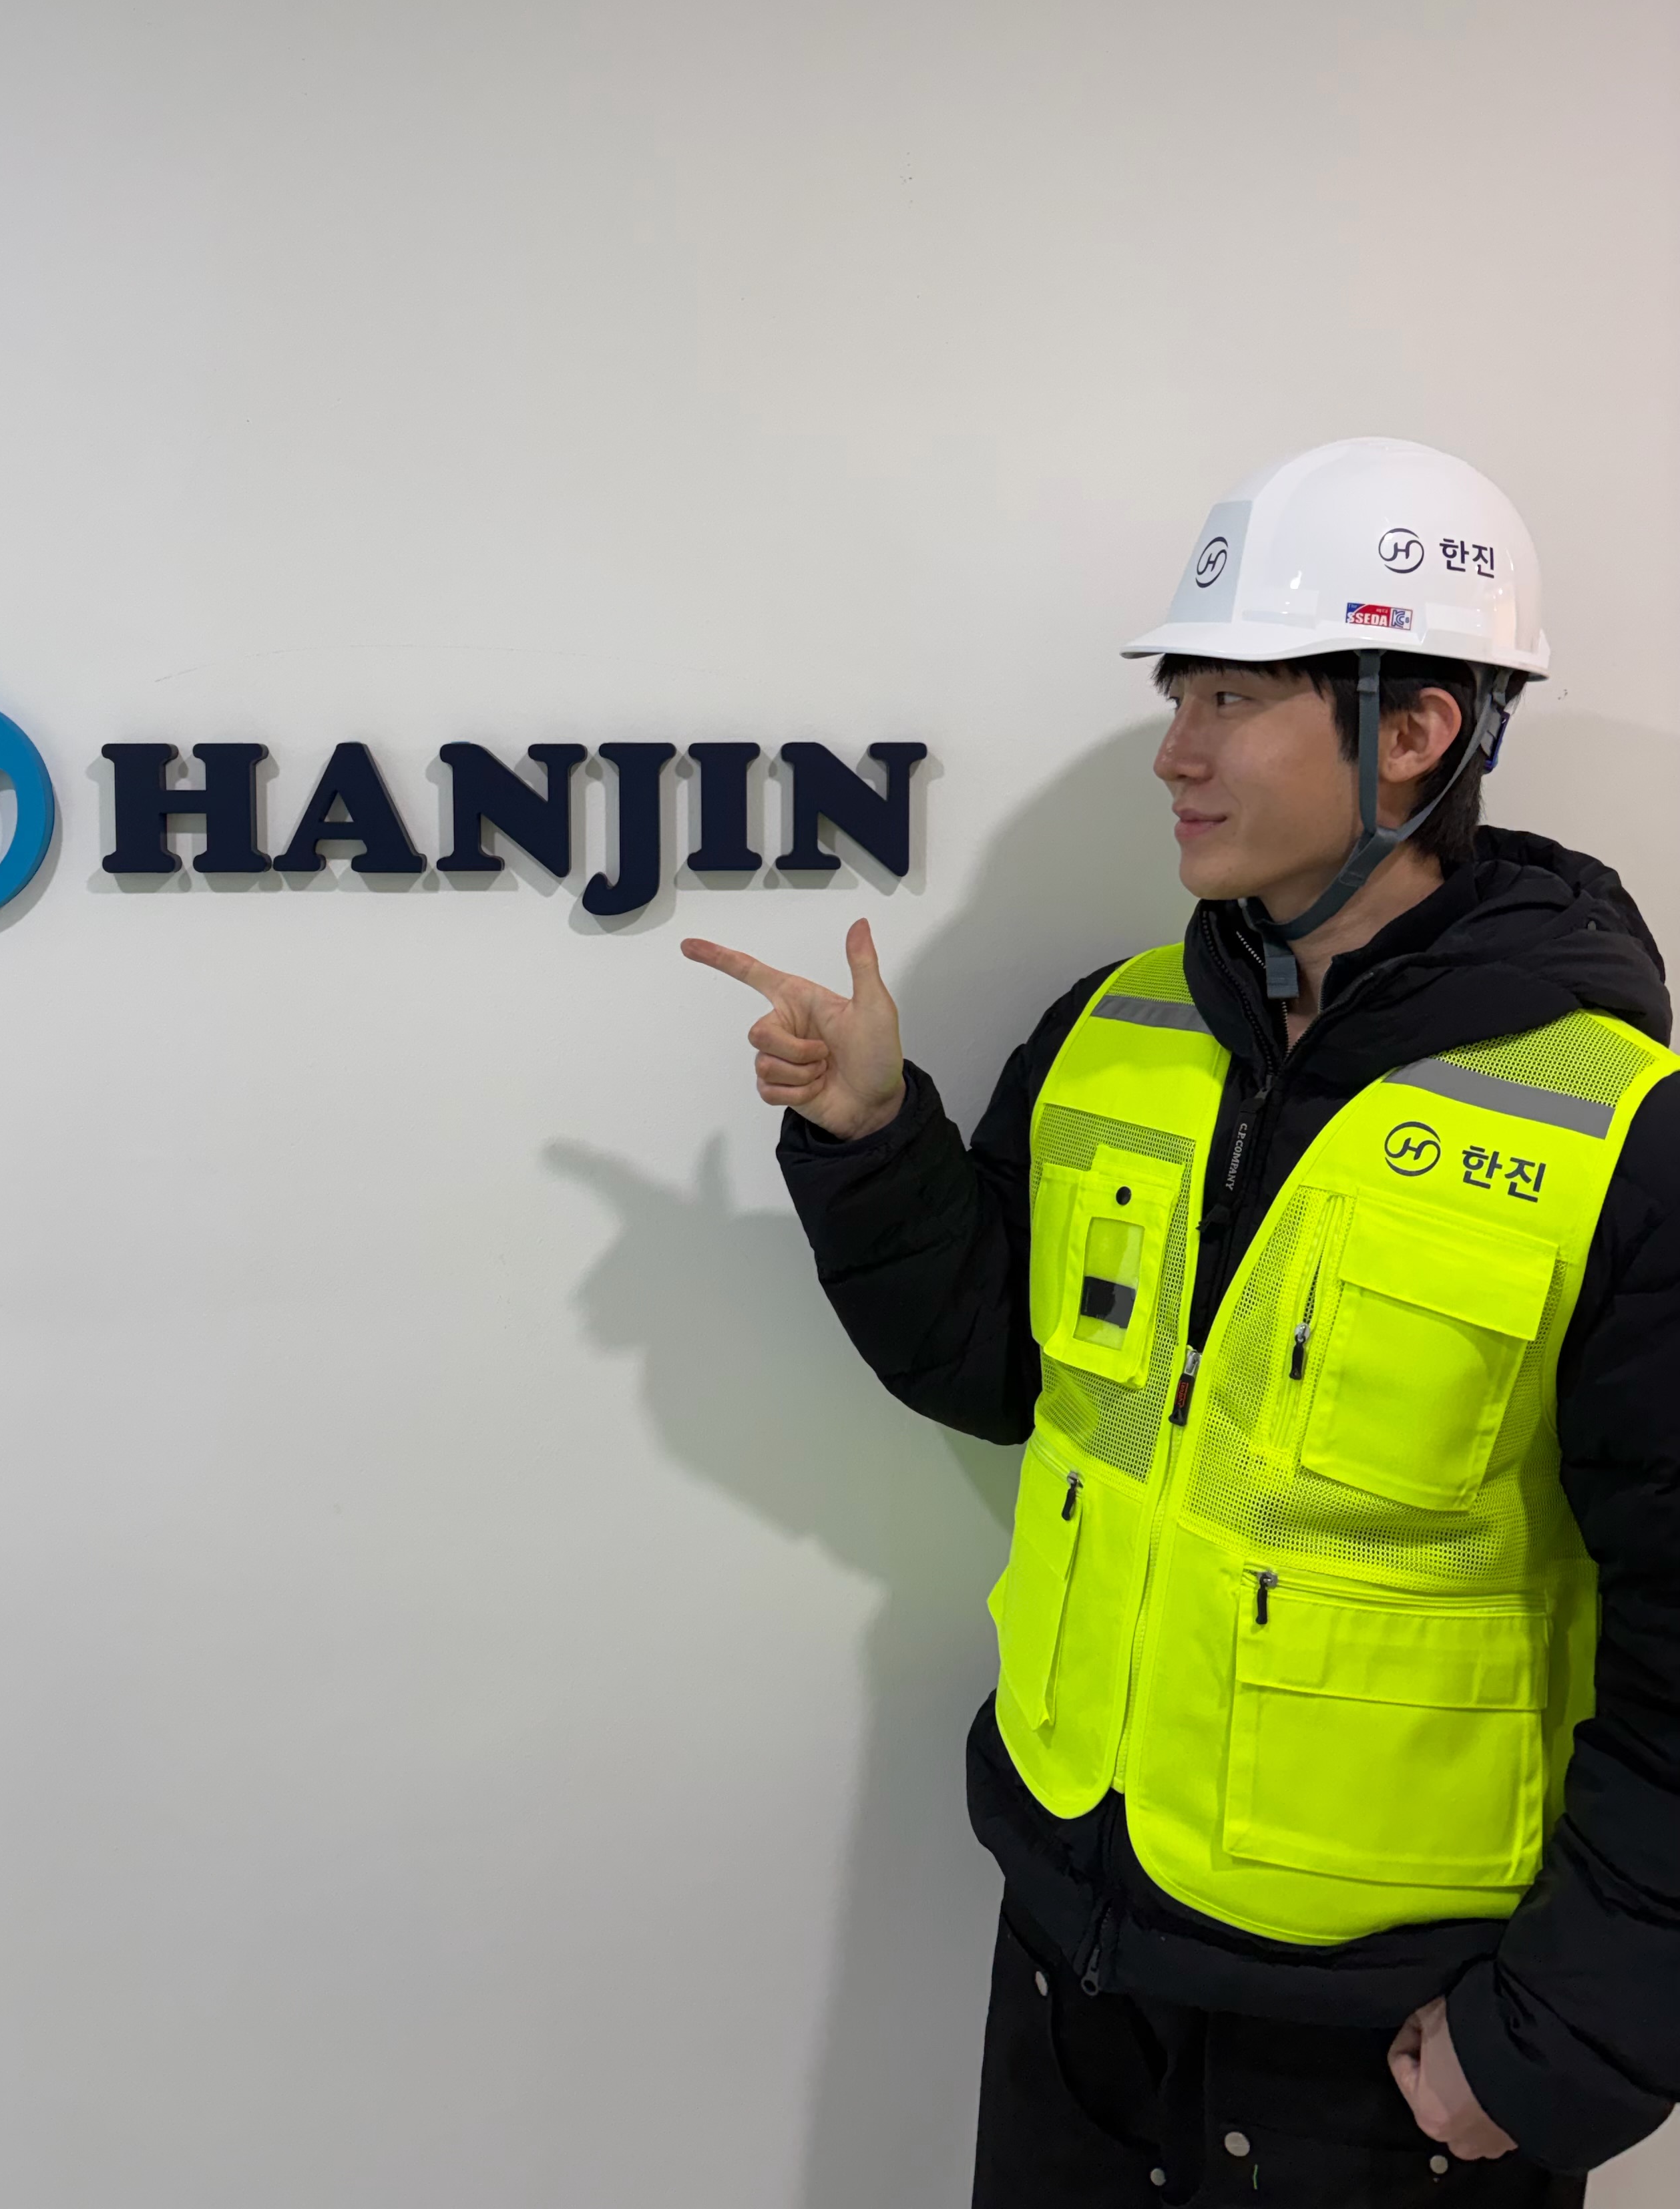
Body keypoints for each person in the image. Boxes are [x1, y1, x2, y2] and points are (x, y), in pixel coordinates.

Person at [684, 440, 1680, 2207]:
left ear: (1417, 730)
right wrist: (870, 1136)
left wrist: (1561, 2042)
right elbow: (999, 1367)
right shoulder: (1119, 1031)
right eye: (1181, 696)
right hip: (1081, 1960)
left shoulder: (1622, 1131)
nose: (1177, 751)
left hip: (1390, 2041)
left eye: (1234, 698)